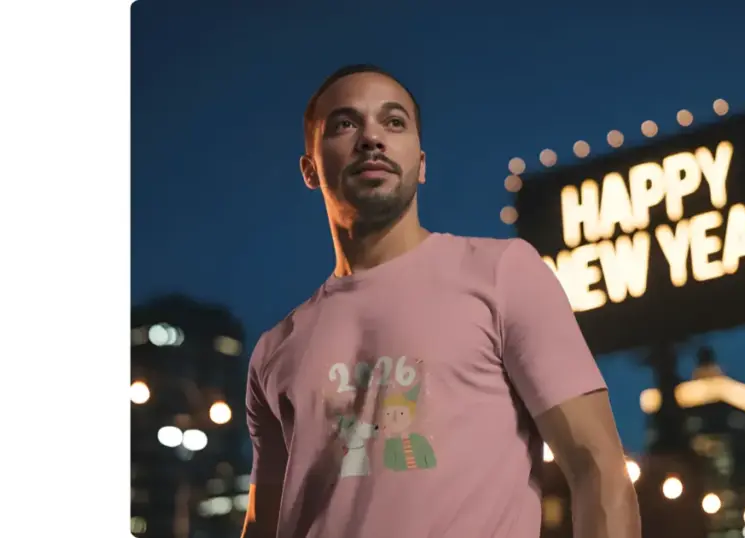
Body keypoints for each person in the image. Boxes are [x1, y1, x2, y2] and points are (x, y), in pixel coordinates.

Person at [241, 64, 640, 538]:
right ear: (310, 168)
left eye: (394, 122)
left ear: (422, 162)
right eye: (346, 124)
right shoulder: (274, 349)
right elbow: (263, 523)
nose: (372, 138)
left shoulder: (502, 273)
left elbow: (599, 471)